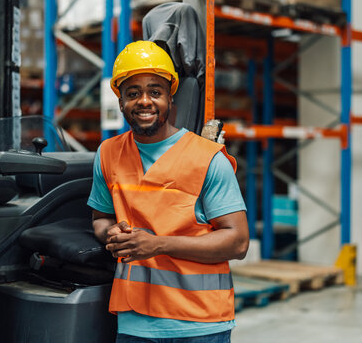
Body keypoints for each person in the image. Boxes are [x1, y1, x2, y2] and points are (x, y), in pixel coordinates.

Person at [88, 40, 249, 343]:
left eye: (155, 92)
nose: (144, 101)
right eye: (133, 93)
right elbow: (101, 217)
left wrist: (158, 245)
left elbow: (238, 242)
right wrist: (111, 234)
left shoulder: (208, 158)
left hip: (200, 325)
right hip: (134, 323)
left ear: (170, 99)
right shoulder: (107, 153)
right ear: (120, 101)